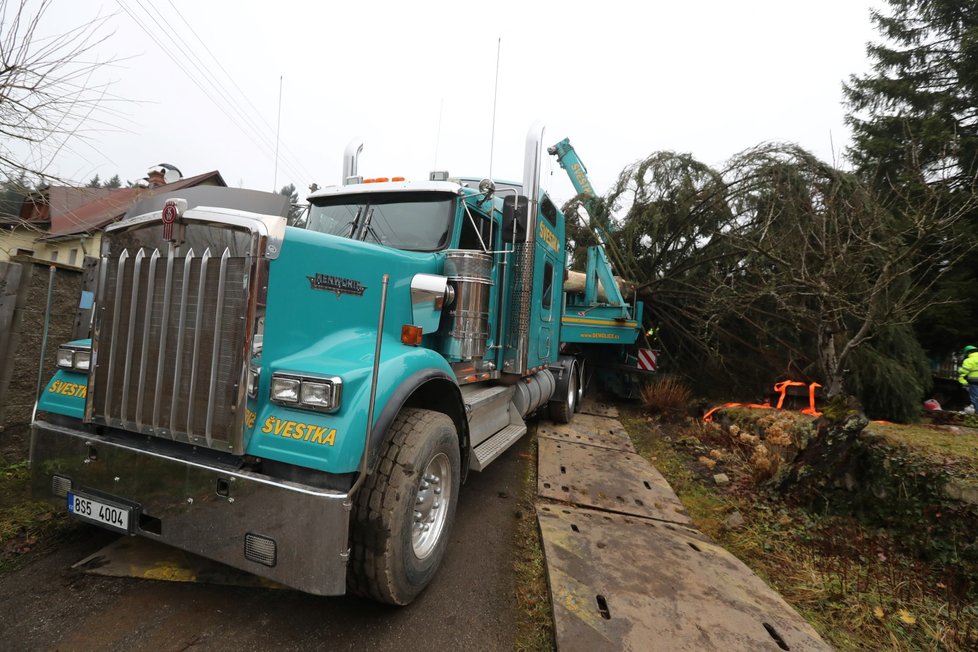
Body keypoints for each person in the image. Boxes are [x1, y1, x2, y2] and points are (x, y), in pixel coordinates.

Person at [957, 345, 978, 412]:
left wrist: (959, 370)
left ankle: (977, 413)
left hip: (974, 382)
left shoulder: (969, 360)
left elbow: (964, 371)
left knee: (975, 397)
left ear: (968, 353)